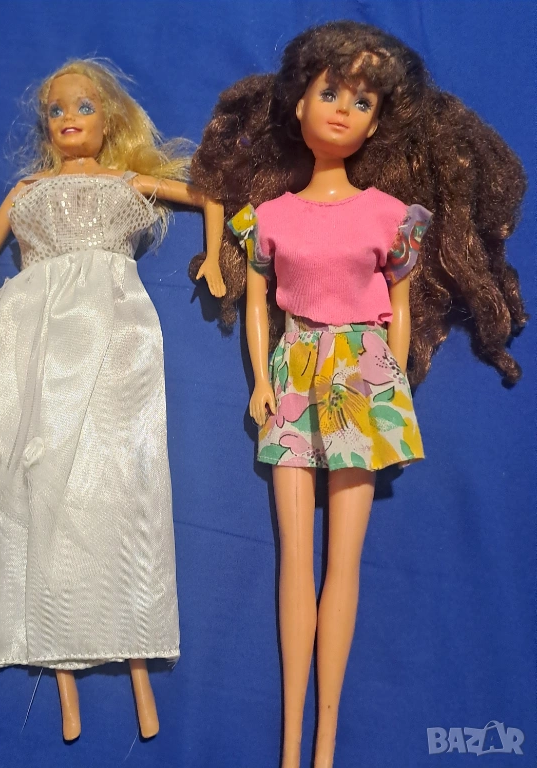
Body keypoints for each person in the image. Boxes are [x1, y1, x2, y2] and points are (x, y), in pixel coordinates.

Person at [188, 21, 526, 768]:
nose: (343, 109)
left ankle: (327, 744)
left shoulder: (390, 216)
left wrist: (392, 385)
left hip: (362, 373)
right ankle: (289, 743)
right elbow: (257, 305)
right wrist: (261, 382)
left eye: (362, 100)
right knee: (294, 558)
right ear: (299, 102)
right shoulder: (267, 218)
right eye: (330, 92)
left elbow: (399, 306)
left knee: (344, 560)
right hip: (293, 370)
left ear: (378, 122)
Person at [0, 59, 225, 741]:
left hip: (113, 335)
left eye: (84, 108)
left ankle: (138, 667)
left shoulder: (126, 183)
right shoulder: (29, 189)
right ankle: (63, 681)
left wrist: (216, 260)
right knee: (35, 479)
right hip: (34, 333)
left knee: (119, 480)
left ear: (109, 119)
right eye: (57, 110)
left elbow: (209, 200)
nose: (70, 120)